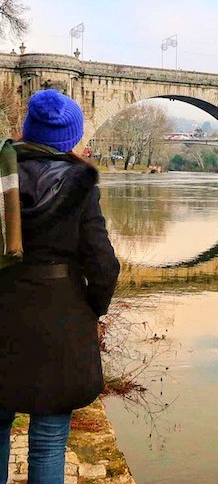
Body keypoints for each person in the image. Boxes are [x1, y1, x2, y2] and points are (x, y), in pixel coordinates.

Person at [0, 89, 120, 484]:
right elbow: (103, 264)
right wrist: (92, 309)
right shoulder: (80, 183)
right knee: (49, 440)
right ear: (70, 139)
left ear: (27, 129)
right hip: (60, 317)